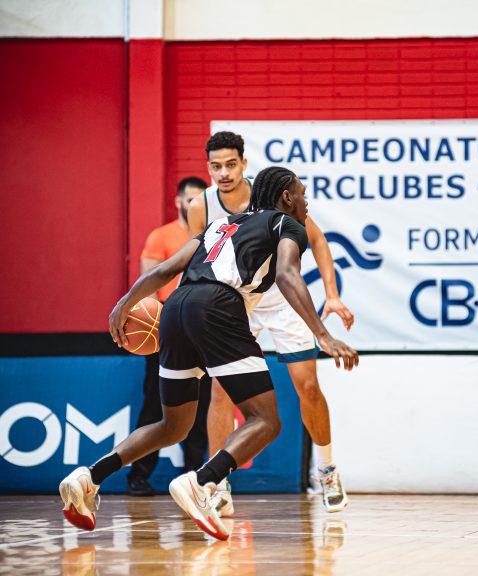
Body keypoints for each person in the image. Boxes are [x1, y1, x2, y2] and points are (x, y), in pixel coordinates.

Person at [58, 166, 358, 541]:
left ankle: (89, 477)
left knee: (173, 426)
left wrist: (125, 302)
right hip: (219, 308)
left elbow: (167, 269)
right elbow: (286, 274)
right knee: (266, 421)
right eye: (302, 193)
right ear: (286, 197)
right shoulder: (287, 224)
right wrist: (323, 335)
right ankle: (202, 483)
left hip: (175, 309)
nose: (306, 201)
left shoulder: (220, 225)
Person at [188, 131, 354, 516]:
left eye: (231, 164)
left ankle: (328, 470)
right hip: (235, 303)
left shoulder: (272, 194)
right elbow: (198, 259)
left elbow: (318, 240)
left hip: (282, 299)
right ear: (208, 168)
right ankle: (217, 484)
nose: (224, 173)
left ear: (244, 164)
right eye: (216, 166)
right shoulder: (201, 206)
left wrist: (331, 295)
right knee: (220, 392)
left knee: (307, 385)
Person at [127, 176, 211, 496]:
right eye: (189, 199)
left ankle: (194, 477)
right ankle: (138, 475)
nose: (194, 204)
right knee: (155, 405)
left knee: (200, 405)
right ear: (178, 201)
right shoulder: (161, 236)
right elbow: (148, 285)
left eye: (199, 199)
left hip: (201, 327)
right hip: (165, 328)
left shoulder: (214, 236)